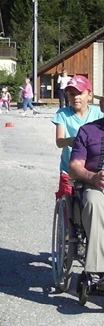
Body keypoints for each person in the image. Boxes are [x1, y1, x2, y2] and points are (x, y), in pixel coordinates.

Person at [68, 108, 104, 283]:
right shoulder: (88, 131)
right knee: (93, 202)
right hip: (96, 186)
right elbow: (74, 166)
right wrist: (93, 177)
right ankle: (98, 270)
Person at [52, 75, 103, 198]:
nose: (76, 98)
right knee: (67, 197)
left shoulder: (97, 112)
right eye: (72, 94)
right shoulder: (63, 114)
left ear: (89, 95)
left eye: (79, 93)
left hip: (92, 165)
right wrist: (70, 141)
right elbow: (59, 142)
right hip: (69, 164)